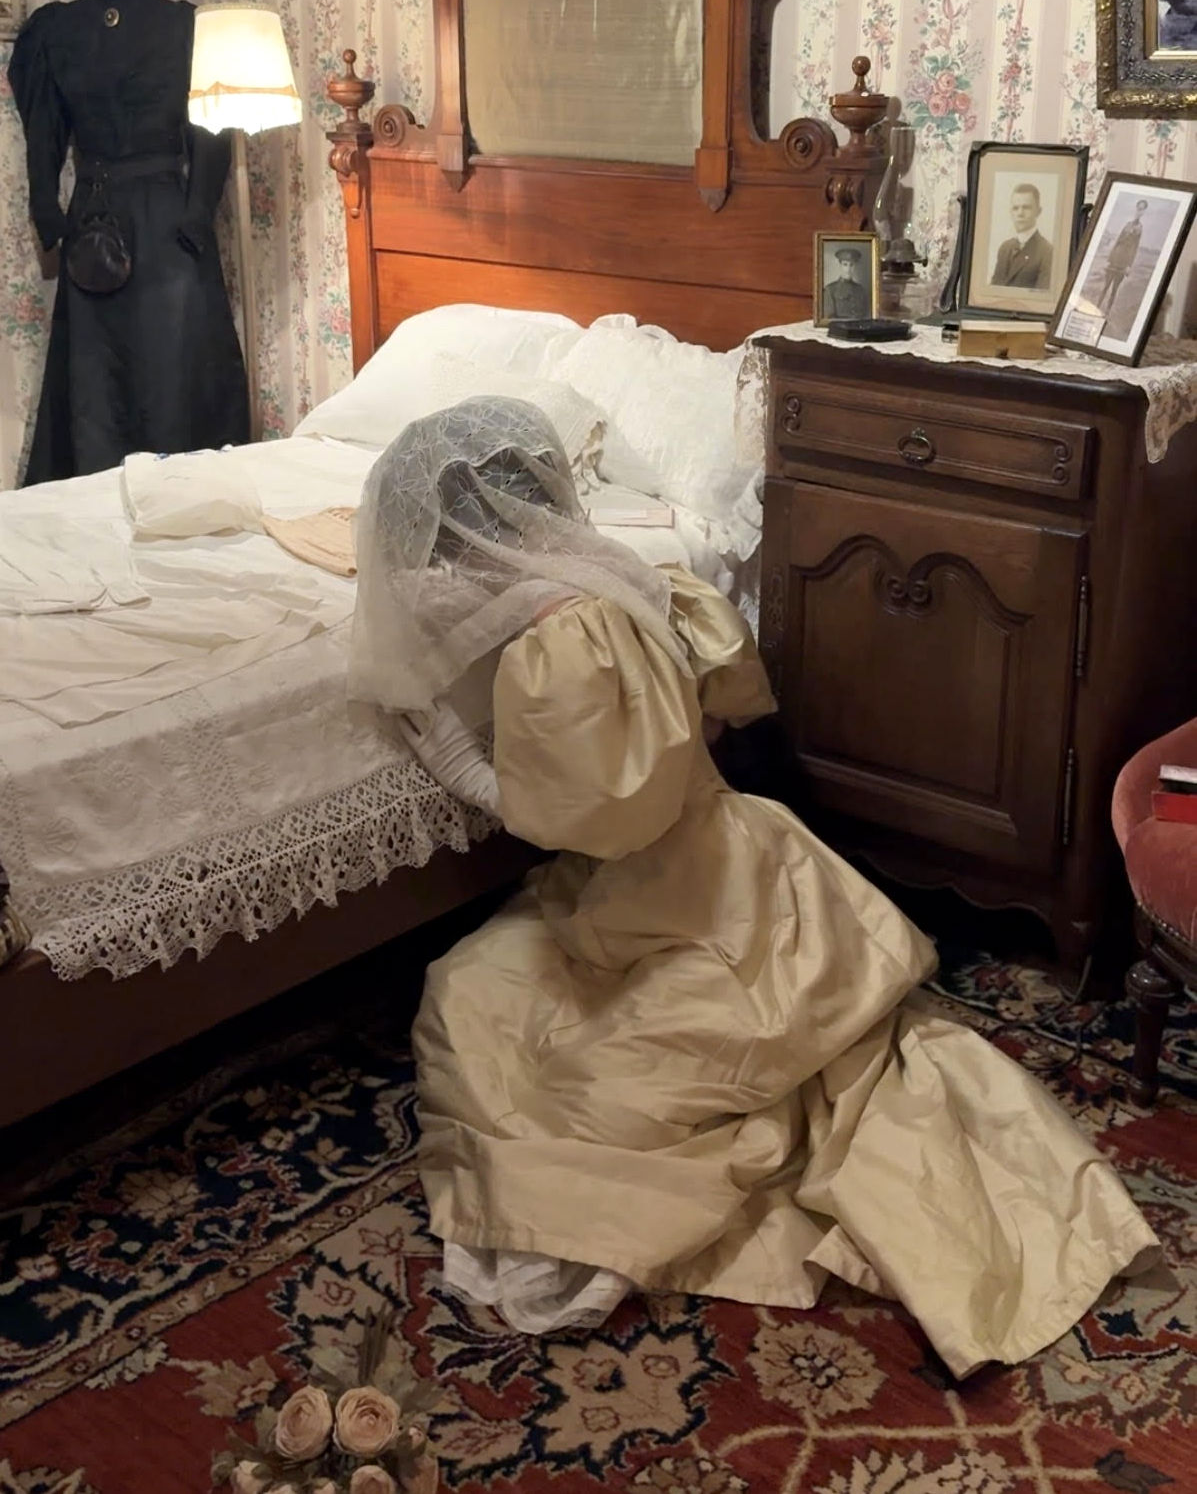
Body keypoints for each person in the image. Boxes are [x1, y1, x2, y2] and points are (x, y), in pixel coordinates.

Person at [350, 397, 1158, 1377]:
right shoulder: (623, 581)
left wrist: (448, 753)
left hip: (661, 896)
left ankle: (617, 1218)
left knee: (479, 1009)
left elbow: (590, 812)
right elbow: (720, 708)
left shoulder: (559, 641)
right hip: (731, 849)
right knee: (495, 991)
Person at [8, 0, 250, 485]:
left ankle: (182, 491)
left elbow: (211, 128)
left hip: (151, 218)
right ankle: (105, 498)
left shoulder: (184, 25)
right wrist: (47, 211)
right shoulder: (58, 31)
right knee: (102, 375)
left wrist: (196, 211)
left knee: (171, 362)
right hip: (127, 220)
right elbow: (46, 131)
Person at [988, 181, 1054, 290]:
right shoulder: (1005, 248)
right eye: (1015, 208)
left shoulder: (1047, 251)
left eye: (1026, 207)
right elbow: (993, 289)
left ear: (1038, 211)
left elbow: (1042, 299)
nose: (1020, 213)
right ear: (1010, 212)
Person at [1094, 198, 1149, 314]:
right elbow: (1118, 241)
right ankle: (1096, 309)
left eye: (1142, 210)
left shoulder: (1140, 228)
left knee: (1114, 290)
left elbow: (1134, 247)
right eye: (1138, 208)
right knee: (1105, 287)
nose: (1139, 211)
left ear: (1144, 212)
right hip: (1115, 259)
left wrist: (1129, 265)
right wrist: (1109, 259)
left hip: (1124, 261)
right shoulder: (1127, 225)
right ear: (1136, 209)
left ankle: (1106, 312)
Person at [824, 245, 871, 319]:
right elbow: (830, 318)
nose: (848, 269)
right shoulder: (830, 289)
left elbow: (867, 316)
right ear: (840, 265)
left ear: (855, 266)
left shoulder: (861, 290)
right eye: (845, 264)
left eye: (851, 265)